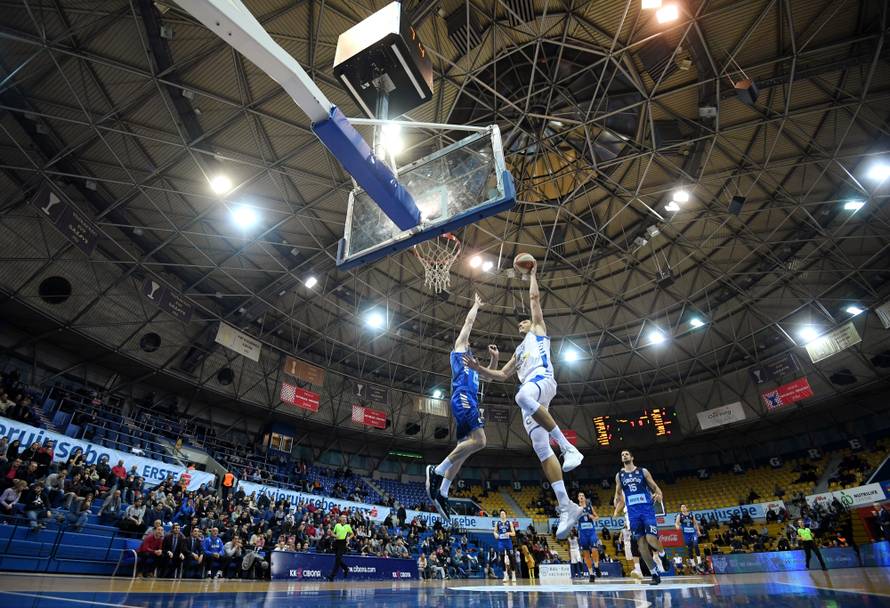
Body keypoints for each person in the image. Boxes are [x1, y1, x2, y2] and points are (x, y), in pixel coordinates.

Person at [464, 261, 584, 539]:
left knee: (522, 395)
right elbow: (502, 375)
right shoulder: (518, 352)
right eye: (522, 321)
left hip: (541, 381)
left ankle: (568, 448)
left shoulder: (538, 330)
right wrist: (480, 368)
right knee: (542, 449)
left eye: (525, 320)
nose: (522, 321)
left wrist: (531, 275)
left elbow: (534, 299)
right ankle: (567, 507)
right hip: (532, 397)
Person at [425, 295, 493, 520]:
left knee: (466, 449)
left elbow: (490, 378)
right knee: (481, 441)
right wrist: (476, 305)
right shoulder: (460, 351)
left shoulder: (473, 365)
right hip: (462, 397)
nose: (469, 342)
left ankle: (443, 491)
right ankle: (436, 470)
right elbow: (468, 325)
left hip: (470, 401)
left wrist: (494, 359)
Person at [614, 450, 666, 585]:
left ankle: (662, 554)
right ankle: (655, 574)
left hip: (647, 510)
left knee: (651, 539)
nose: (624, 456)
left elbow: (655, 487)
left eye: (626, 454)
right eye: (622, 455)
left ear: (632, 457)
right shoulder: (619, 475)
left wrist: (659, 495)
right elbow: (618, 494)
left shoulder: (643, 471)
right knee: (641, 546)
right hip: (633, 514)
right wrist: (616, 505)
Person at [577, 492, 602, 582]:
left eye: (582, 496)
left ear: (584, 498)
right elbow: (573, 520)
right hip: (582, 533)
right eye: (579, 496)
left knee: (594, 549)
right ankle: (591, 574)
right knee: (586, 554)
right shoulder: (576, 509)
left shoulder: (589, 507)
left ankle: (596, 566)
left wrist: (593, 517)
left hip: (591, 531)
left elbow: (597, 517)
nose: (581, 497)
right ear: (578, 498)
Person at [327, 514, 354, 581]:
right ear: (340, 519)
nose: (344, 518)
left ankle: (332, 576)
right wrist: (335, 536)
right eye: (343, 517)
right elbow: (332, 533)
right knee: (338, 559)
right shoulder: (337, 525)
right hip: (336, 543)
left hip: (343, 543)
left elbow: (352, 534)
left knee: (338, 559)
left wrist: (348, 537)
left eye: (345, 517)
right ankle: (345, 568)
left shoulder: (348, 526)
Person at [493, 509, 516, 583]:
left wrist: (509, 533)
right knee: (502, 557)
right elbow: (494, 531)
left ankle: (513, 575)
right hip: (501, 542)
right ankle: (505, 575)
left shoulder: (509, 522)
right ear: (500, 515)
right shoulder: (497, 523)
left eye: (503, 513)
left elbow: (514, 533)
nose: (502, 515)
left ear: (506, 515)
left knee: (511, 557)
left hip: (508, 541)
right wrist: (495, 534)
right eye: (501, 514)